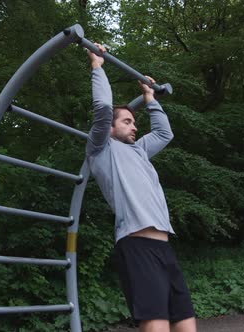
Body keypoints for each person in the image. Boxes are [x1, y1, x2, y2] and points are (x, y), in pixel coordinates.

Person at [86, 44, 197, 332]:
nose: (134, 127)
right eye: (127, 121)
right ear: (110, 128)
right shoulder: (101, 149)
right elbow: (103, 108)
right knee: (156, 325)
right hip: (137, 246)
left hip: (164, 247)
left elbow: (164, 132)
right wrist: (98, 66)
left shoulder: (140, 150)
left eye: (135, 122)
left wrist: (149, 97)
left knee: (186, 324)